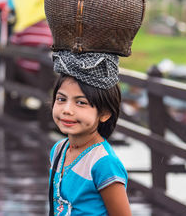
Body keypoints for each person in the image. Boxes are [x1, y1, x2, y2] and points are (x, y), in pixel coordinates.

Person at [49, 52, 131, 215]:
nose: (67, 110)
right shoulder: (59, 150)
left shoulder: (103, 163)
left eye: (81, 103)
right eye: (61, 99)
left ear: (105, 113)